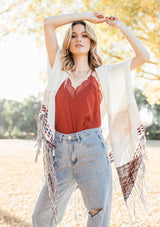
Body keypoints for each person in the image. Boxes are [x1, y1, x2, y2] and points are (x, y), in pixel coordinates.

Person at [32, 11, 150, 227]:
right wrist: (86, 15)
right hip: (60, 152)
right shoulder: (57, 69)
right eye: (74, 35)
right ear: (68, 43)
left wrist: (121, 26)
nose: (79, 39)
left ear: (91, 41)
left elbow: (144, 56)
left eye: (84, 35)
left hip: (93, 152)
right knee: (41, 217)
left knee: (98, 216)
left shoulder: (103, 74)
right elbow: (48, 23)